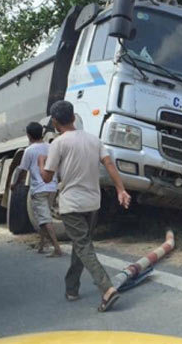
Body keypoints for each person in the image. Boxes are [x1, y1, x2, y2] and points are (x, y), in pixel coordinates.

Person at [37, 100, 131, 312]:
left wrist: (41, 163)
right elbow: (108, 164)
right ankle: (71, 288)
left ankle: (107, 289)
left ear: (54, 121)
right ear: (74, 116)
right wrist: (120, 189)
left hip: (71, 204)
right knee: (82, 244)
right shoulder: (93, 140)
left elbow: (46, 177)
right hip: (92, 203)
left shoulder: (58, 144)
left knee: (83, 246)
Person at [11, 122, 63, 257]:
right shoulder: (51, 147)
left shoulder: (29, 150)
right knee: (43, 217)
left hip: (39, 189)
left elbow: (22, 170)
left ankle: (57, 248)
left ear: (28, 135)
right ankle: (42, 245)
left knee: (45, 219)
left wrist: (15, 184)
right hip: (52, 187)